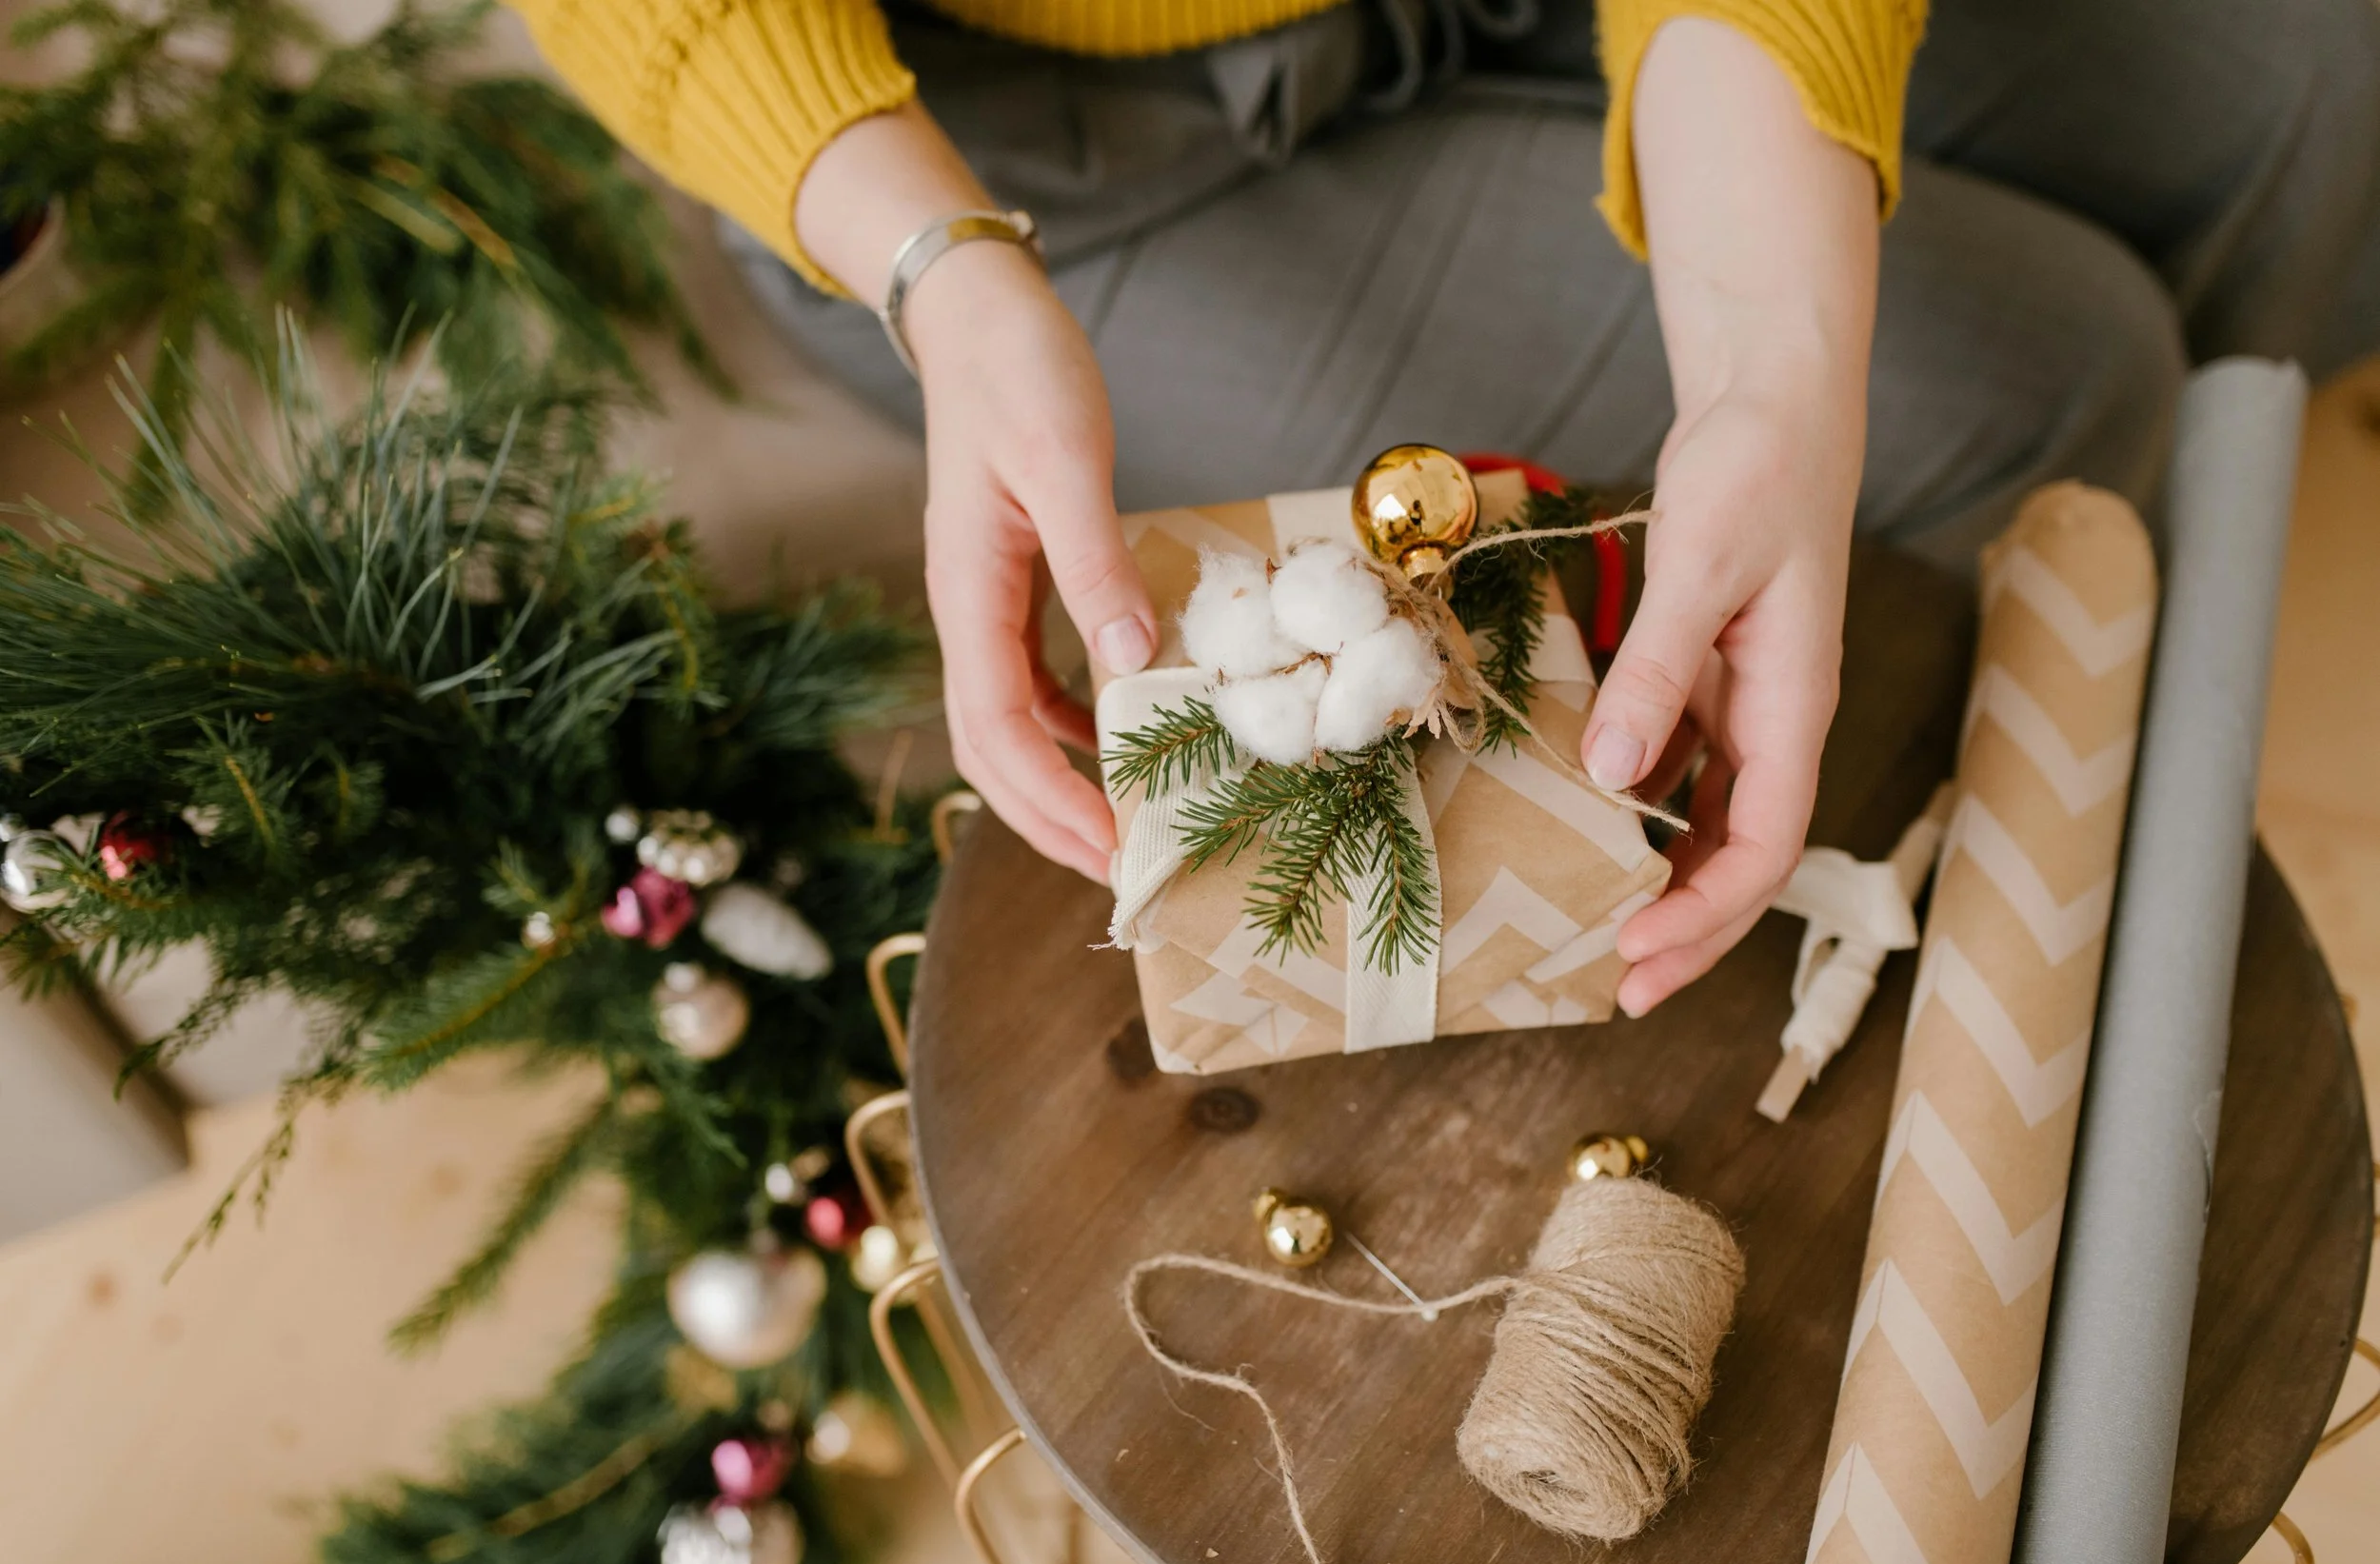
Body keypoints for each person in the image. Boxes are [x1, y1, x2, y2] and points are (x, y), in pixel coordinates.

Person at [506, 0, 2380, 1014]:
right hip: (978, 133)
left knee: (2309, 70)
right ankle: (1897, 868)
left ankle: (2087, 665)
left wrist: (1772, 355)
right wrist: (936, 270)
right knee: (2059, 371)